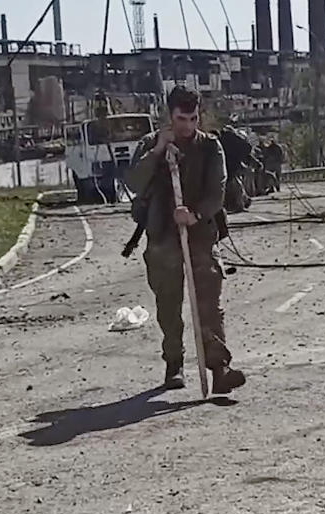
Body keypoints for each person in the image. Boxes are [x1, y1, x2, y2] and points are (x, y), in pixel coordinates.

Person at [126, 86, 246, 394]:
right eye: (181, 119)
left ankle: (219, 367)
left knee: (209, 303)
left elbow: (216, 190)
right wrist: (157, 153)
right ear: (170, 115)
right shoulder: (151, 144)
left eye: (193, 118)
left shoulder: (210, 147)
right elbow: (133, 183)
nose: (187, 126)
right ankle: (174, 363)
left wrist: (194, 214)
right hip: (162, 238)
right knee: (168, 304)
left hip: (200, 235)